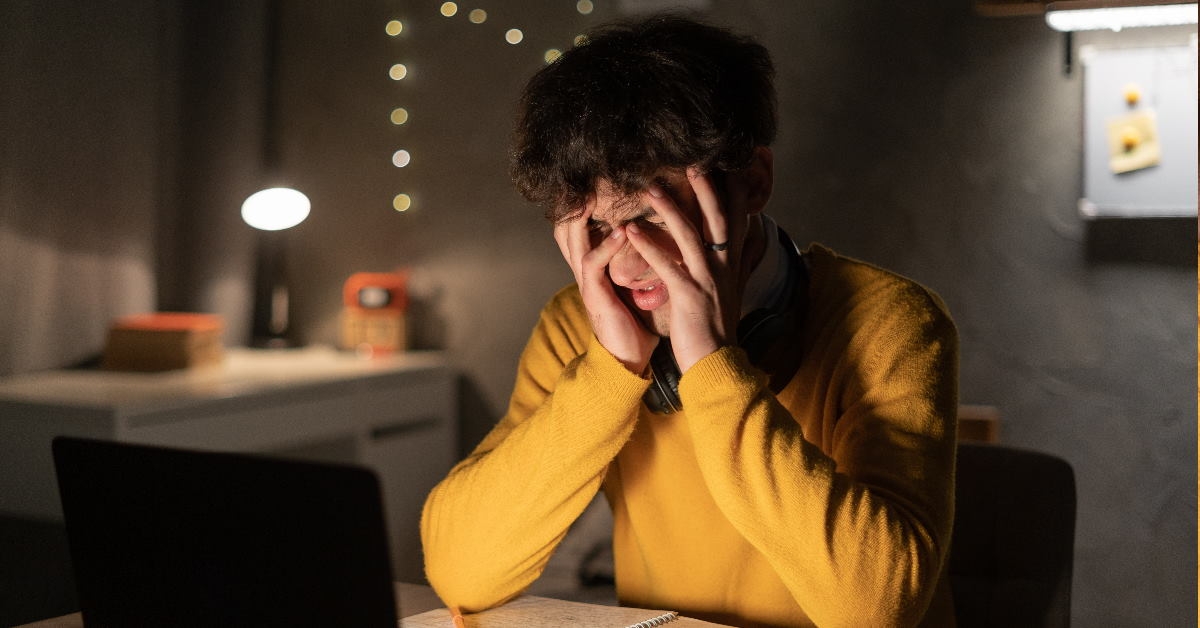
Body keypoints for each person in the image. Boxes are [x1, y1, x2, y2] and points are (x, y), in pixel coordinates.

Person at [421, 14, 958, 628]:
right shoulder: (581, 320)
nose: (623, 266)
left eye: (652, 218)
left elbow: (875, 607)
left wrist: (711, 366)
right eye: (595, 228)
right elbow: (461, 572)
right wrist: (610, 369)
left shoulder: (893, 321)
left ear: (753, 182)